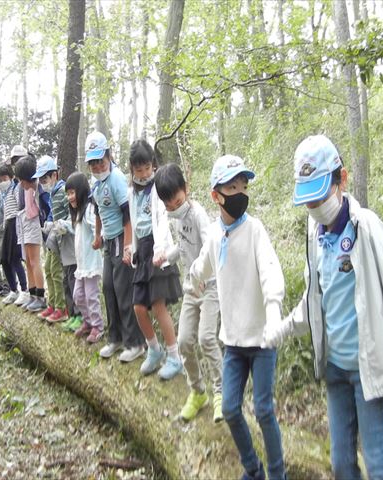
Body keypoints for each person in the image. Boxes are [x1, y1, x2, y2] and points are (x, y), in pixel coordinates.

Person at [264, 134, 383, 480]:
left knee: (379, 465)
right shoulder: (316, 236)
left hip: (367, 367)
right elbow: (316, 298)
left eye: (321, 196)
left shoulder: (366, 228)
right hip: (336, 368)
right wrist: (284, 327)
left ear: (342, 179)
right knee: (341, 465)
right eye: (309, 201)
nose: (316, 208)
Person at [189, 155, 286, 480]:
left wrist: (273, 311)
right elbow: (202, 264)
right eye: (232, 187)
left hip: (262, 340)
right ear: (216, 195)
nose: (240, 192)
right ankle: (252, 469)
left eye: (243, 185)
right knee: (229, 408)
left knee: (263, 409)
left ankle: (276, 473)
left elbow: (271, 270)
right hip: (232, 343)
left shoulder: (255, 229)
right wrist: (194, 278)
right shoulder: (216, 235)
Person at [154, 163, 223, 421]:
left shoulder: (197, 214)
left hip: (209, 286)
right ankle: (198, 391)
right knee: (183, 342)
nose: (174, 207)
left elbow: (209, 247)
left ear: (187, 189)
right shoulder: (178, 218)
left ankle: (220, 392)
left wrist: (203, 274)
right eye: (169, 206)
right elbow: (183, 249)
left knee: (206, 339)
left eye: (178, 201)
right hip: (191, 288)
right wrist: (166, 257)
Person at [126, 140, 183, 380]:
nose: (144, 173)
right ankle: (154, 350)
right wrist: (131, 247)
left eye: (147, 168)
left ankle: (174, 356)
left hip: (158, 250)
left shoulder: (157, 188)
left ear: (153, 165)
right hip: (143, 251)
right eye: (138, 170)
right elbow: (134, 221)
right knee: (139, 307)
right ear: (132, 170)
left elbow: (161, 220)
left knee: (158, 306)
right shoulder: (132, 192)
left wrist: (161, 250)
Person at [86, 131, 145, 363]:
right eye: (92, 163)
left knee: (123, 290)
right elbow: (98, 210)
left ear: (109, 156)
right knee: (108, 287)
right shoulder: (96, 183)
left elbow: (128, 215)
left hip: (122, 237)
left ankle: (135, 343)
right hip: (109, 241)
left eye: (100, 160)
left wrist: (129, 245)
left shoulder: (117, 179)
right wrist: (98, 235)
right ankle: (115, 338)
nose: (97, 166)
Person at [34, 155, 79, 324]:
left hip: (66, 240)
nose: (43, 182)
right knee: (49, 270)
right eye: (41, 179)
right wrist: (49, 222)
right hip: (55, 237)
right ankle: (53, 304)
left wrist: (63, 224)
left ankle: (62, 308)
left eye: (45, 178)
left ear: (55, 175)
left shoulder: (62, 190)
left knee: (58, 273)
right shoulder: (52, 193)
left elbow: (72, 212)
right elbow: (54, 212)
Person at [65, 172, 104, 343]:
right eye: (68, 194)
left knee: (90, 296)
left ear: (80, 191)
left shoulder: (88, 210)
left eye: (72, 193)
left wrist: (99, 237)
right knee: (78, 296)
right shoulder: (77, 214)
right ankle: (87, 321)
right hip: (81, 266)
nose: (70, 197)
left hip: (91, 264)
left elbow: (97, 225)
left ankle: (98, 326)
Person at [15, 155, 51, 313]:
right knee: (28, 261)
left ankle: (41, 297)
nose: (21, 184)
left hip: (34, 224)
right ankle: (32, 293)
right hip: (24, 222)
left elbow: (44, 210)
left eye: (22, 180)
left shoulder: (39, 189)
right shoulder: (26, 189)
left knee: (35, 261)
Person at [0, 162, 29, 305]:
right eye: (0, 180)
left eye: (5, 179)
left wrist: (20, 229)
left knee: (15, 259)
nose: (2, 182)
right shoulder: (4, 194)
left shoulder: (15, 189)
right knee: (4, 259)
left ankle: (24, 290)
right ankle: (13, 290)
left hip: (16, 224)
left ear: (11, 177)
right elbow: (5, 214)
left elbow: (20, 208)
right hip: (8, 226)